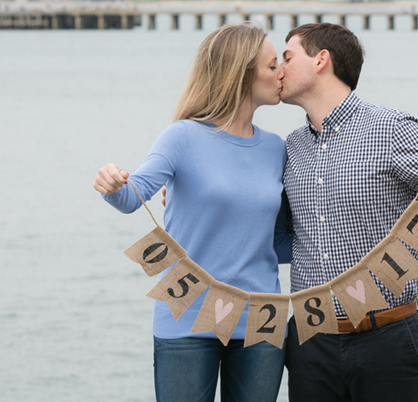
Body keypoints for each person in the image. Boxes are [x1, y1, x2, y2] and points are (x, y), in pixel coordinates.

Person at [278, 22, 418, 402]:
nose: (279, 68)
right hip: (311, 345)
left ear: (321, 60)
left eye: (288, 57)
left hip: (387, 339)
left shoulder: (392, 128)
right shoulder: (290, 147)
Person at [92, 24, 292, 402]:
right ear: (241, 75)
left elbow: (276, 242)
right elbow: (134, 198)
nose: (282, 72)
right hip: (186, 317)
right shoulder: (182, 136)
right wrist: (112, 186)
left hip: (261, 322)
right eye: (271, 66)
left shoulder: (277, 148)